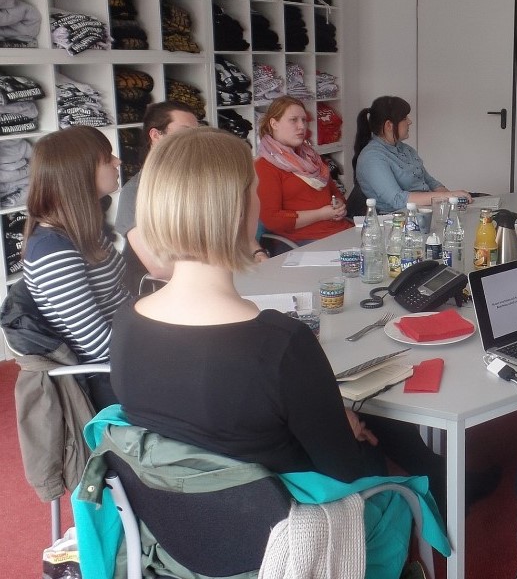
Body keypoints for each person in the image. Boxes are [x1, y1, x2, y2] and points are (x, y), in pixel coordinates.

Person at [108, 127, 445, 577]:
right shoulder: (280, 342)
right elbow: (345, 472)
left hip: (176, 539)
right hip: (284, 545)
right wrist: (338, 424)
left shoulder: (126, 323)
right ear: (240, 209)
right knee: (378, 458)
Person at [22, 126, 132, 408]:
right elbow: (98, 345)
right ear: (80, 172)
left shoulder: (82, 229)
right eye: (107, 158)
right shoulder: (52, 249)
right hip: (113, 374)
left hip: (130, 342)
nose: (118, 161)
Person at [116, 101, 268, 293]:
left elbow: (232, 221)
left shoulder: (197, 179)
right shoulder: (134, 192)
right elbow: (161, 268)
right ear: (155, 135)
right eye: (185, 132)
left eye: (197, 132)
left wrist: (256, 252)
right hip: (161, 291)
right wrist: (225, 267)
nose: (194, 140)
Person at [255, 95, 353, 243]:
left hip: (340, 230)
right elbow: (273, 219)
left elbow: (336, 193)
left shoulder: (312, 158)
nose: (301, 126)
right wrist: (321, 214)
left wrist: (339, 205)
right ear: (274, 124)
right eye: (293, 120)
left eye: (304, 120)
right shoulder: (265, 166)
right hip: (307, 241)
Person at [353, 96, 471, 214]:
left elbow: (430, 182)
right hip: (397, 219)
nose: (410, 122)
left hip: (425, 212)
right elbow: (397, 199)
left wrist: (453, 201)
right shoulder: (372, 158)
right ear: (389, 125)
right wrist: (447, 197)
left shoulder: (406, 149)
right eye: (405, 118)